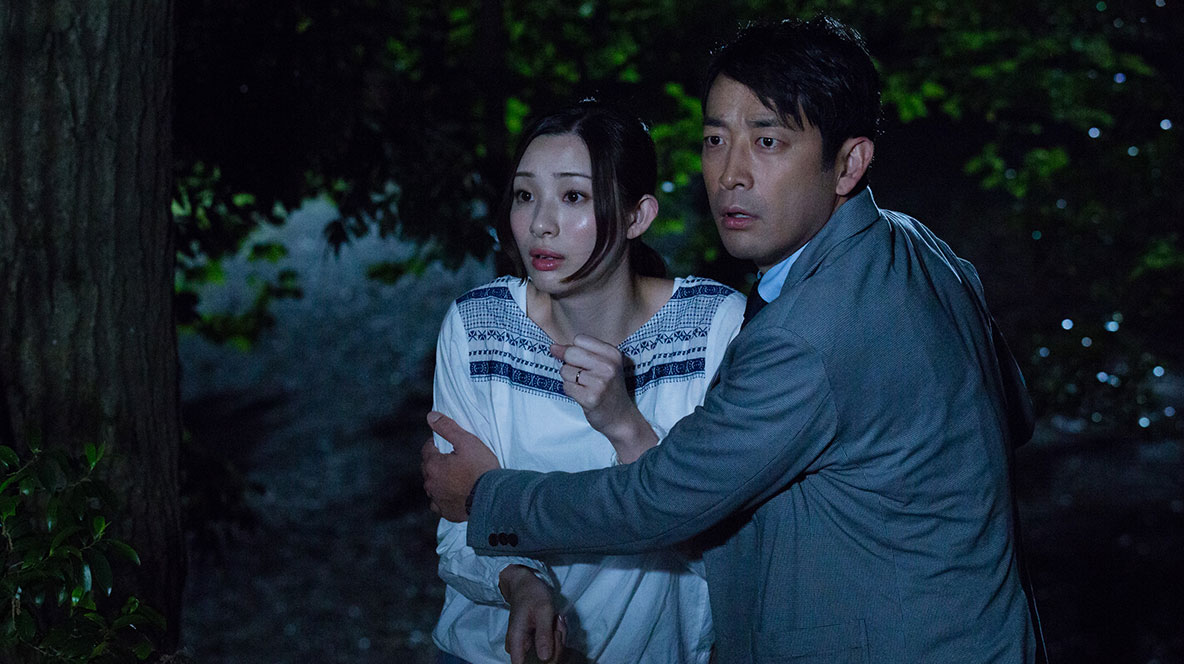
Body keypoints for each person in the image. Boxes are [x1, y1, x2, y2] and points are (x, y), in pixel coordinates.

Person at [422, 16, 1043, 663]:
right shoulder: (915, 245)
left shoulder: (800, 332)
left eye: (768, 141)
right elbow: (1013, 413)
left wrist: (486, 496)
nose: (731, 174)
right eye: (716, 140)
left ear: (848, 163)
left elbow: (660, 501)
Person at [428, 101, 745, 664]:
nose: (540, 223)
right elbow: (458, 517)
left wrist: (624, 425)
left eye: (573, 196)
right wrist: (521, 581)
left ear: (637, 216)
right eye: (525, 195)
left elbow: (730, 546)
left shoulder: (714, 328)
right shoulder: (478, 328)